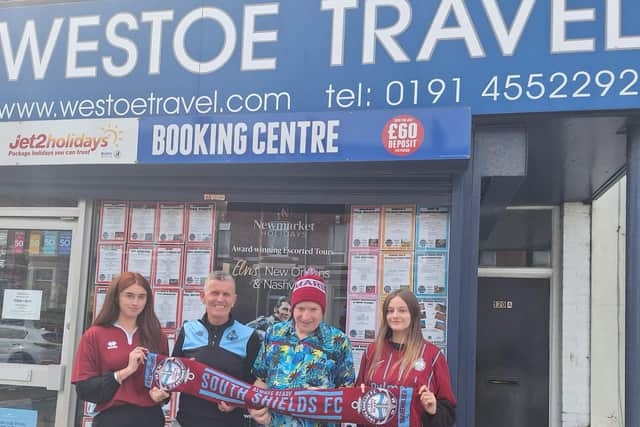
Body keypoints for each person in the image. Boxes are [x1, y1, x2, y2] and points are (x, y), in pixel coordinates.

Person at [249, 268, 355, 426]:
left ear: (323, 310)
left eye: (313, 309)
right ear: (292, 308)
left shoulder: (338, 340)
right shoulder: (274, 332)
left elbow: (348, 393)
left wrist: (328, 397)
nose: (306, 316)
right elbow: (261, 379)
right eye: (300, 309)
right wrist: (255, 409)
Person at [72, 272, 170, 427]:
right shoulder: (95, 334)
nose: (135, 302)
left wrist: (163, 395)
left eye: (141, 297)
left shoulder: (157, 337)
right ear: (116, 297)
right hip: (111, 419)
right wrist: (126, 371)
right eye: (129, 296)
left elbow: (165, 383)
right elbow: (85, 390)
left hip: (150, 418)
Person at [172, 271, 261, 427]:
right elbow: (173, 374)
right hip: (187, 421)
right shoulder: (188, 330)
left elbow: (254, 386)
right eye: (214, 293)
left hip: (230, 423)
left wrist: (237, 402)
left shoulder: (248, 336)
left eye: (226, 294)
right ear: (203, 297)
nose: (220, 299)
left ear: (234, 300)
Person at [356, 289, 456, 427]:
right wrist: (359, 394)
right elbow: (357, 399)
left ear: (413, 314)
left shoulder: (433, 355)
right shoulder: (372, 351)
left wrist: (434, 409)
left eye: (402, 310)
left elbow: (449, 413)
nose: (395, 315)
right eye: (390, 311)